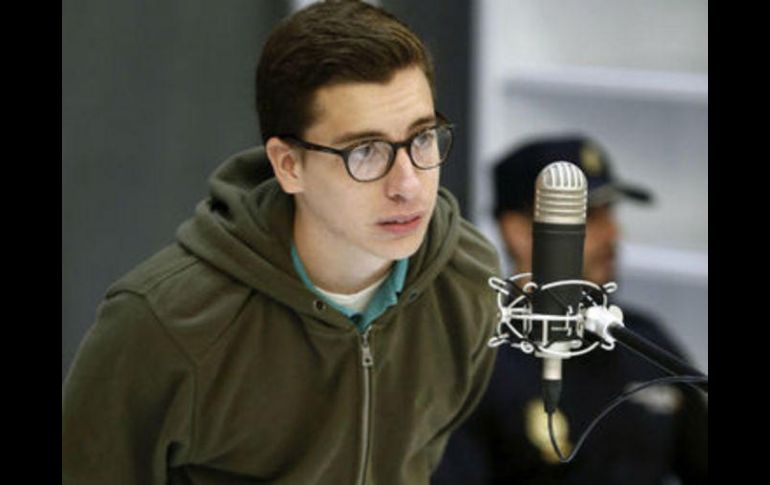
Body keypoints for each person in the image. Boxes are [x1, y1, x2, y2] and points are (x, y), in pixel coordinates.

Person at [62, 1, 502, 484]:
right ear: (289, 166)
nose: (408, 185)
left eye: (422, 139)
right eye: (366, 152)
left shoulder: (467, 277)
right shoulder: (164, 321)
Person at [432, 136, 708, 484]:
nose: (613, 233)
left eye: (611, 213)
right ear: (518, 232)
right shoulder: (472, 357)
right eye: (589, 216)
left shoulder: (644, 340)